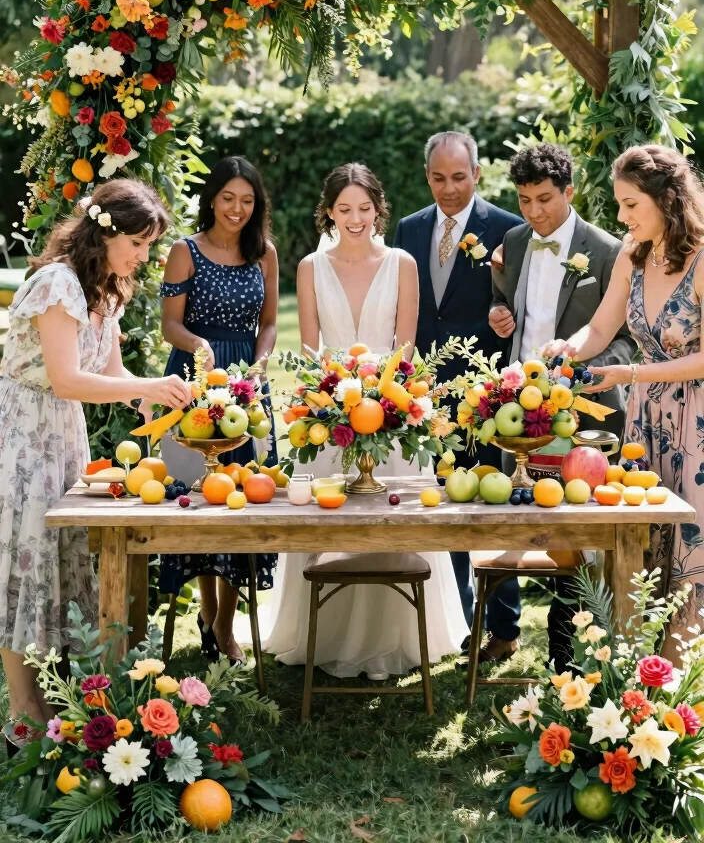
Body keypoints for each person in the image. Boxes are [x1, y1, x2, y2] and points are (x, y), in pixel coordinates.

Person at [0, 180, 192, 742]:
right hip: (24, 435)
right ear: (103, 232)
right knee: (27, 562)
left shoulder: (107, 289)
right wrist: (151, 386)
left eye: (148, 245)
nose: (142, 255)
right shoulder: (57, 284)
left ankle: (60, 698)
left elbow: (112, 378)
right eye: (136, 242)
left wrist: (162, 395)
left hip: (64, 435)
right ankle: (23, 715)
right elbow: (64, 379)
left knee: (62, 558)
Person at [264, 163, 467, 679]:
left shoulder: (402, 263)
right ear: (328, 212)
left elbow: (406, 349)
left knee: (393, 521)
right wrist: (331, 401)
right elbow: (310, 352)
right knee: (327, 522)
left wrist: (385, 403)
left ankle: (396, 637)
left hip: (391, 413)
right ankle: (321, 634)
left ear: (379, 207)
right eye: (343, 209)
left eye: (364, 208)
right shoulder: (310, 266)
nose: (355, 218)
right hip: (330, 416)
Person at [543, 144, 704, 658]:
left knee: (690, 547)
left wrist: (630, 371)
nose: (621, 216)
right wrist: (568, 346)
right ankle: (637, 669)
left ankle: (682, 677)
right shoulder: (632, 256)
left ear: (668, 200)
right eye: (619, 204)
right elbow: (600, 326)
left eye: (631, 204)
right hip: (647, 421)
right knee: (641, 537)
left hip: (696, 424)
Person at [490, 143, 636, 671]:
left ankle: (570, 638)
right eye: (525, 200)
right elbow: (511, 304)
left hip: (584, 413)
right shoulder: (511, 241)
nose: (534, 212)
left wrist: (593, 372)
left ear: (569, 193)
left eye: (545, 199)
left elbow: (626, 338)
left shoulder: (607, 249)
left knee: (578, 524)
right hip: (523, 413)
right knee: (534, 518)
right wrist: (500, 313)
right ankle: (564, 628)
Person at [393, 131, 522, 657]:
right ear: (428, 176)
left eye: (460, 177)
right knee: (441, 497)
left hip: (485, 388)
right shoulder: (409, 228)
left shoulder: (508, 231)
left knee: (491, 501)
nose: (449, 189)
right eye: (440, 178)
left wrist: (503, 319)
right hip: (427, 386)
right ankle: (455, 619)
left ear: (477, 175)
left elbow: (519, 308)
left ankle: (505, 627)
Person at [158, 157, 279, 666]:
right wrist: (199, 346)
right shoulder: (184, 252)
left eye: (247, 200)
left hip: (246, 385)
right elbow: (169, 325)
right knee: (201, 501)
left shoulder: (264, 253)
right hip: (194, 380)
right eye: (229, 198)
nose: (237, 208)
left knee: (243, 503)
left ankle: (226, 625)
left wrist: (262, 361)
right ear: (212, 198)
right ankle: (209, 614)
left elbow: (270, 322)